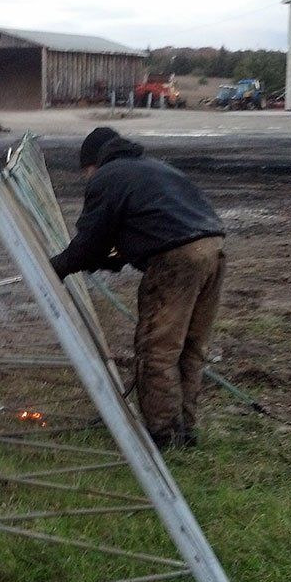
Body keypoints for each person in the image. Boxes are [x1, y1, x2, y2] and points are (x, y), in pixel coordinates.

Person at [50, 126, 225, 450]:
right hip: (213, 248)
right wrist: (116, 256)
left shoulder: (107, 177)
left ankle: (164, 436)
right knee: (189, 346)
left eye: (86, 172)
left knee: (157, 348)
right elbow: (149, 224)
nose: (87, 178)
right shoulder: (155, 168)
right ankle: (186, 430)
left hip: (177, 259)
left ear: (93, 163)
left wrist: (57, 268)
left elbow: (90, 241)